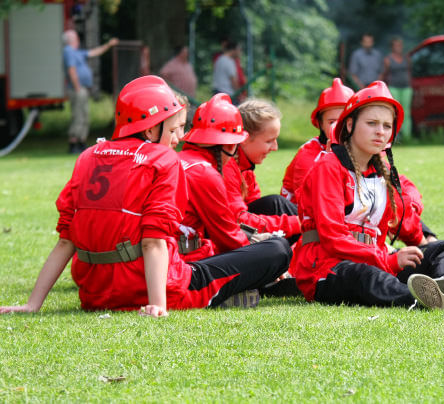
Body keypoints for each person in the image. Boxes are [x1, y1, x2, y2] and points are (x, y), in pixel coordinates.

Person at [0, 76, 291, 317]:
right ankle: (233, 292)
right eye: (175, 129)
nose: (178, 138)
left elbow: (66, 239)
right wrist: (158, 305)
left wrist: (31, 305)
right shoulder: (164, 160)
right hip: (157, 287)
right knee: (277, 250)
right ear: (152, 128)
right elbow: (154, 241)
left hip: (95, 294)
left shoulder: (89, 156)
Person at [289, 81, 444, 309]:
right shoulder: (328, 167)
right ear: (350, 125)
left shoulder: (382, 169)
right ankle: (419, 298)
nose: (380, 132)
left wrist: (426, 245)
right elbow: (333, 238)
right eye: (372, 123)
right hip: (326, 268)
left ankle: (440, 287)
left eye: (387, 126)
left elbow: (405, 221)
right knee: (364, 275)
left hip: (378, 260)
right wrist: (389, 259)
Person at [177, 94, 299, 262]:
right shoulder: (207, 171)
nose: (275, 147)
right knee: (278, 249)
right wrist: (262, 247)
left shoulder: (187, 160)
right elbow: (230, 234)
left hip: (174, 257)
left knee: (275, 212)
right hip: (187, 262)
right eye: (270, 141)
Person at [281, 78, 354, 204]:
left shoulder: (362, 150)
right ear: (320, 124)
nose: (339, 127)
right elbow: (310, 203)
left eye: (345, 121)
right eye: (332, 122)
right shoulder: (308, 154)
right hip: (301, 216)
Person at [231, 98, 299, 222]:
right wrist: (296, 223)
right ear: (244, 139)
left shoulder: (246, 169)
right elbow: (238, 219)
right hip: (222, 234)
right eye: (269, 141)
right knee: (275, 204)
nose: (275, 147)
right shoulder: (228, 169)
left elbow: (255, 205)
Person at [62, 29, 119, 154]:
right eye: (76, 38)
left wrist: (108, 45)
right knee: (78, 115)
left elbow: (94, 52)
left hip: (83, 89)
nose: (78, 40)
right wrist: (77, 87)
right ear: (72, 40)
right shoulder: (68, 51)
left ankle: (81, 142)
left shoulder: (77, 52)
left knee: (85, 115)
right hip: (78, 89)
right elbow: (72, 69)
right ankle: (74, 143)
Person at [381, 37, 413, 137]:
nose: (398, 47)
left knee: (406, 112)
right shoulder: (387, 59)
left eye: (400, 45)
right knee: (395, 112)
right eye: (396, 45)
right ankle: (395, 135)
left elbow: (409, 73)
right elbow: (384, 74)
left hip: (406, 87)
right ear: (392, 47)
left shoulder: (406, 58)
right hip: (393, 87)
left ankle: (407, 136)